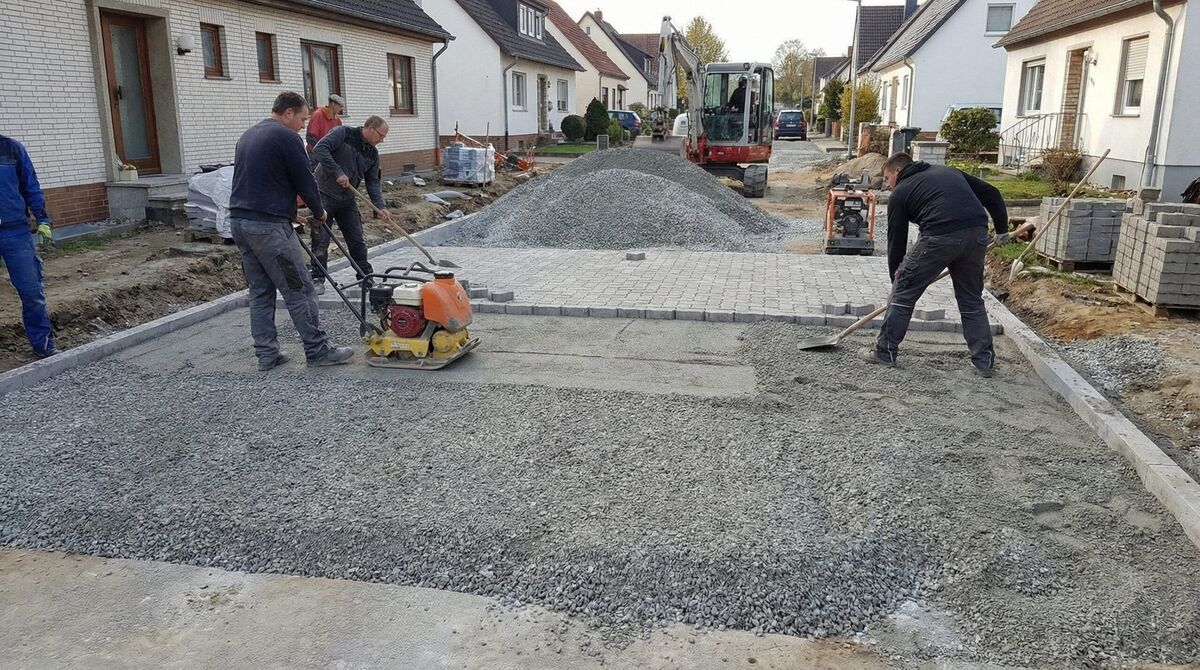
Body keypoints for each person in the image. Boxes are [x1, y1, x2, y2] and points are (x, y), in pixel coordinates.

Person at [229, 91, 353, 371]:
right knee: (300, 288)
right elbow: (305, 181)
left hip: (241, 222)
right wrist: (319, 211)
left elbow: (261, 180)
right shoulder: (286, 138)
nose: (303, 125)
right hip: (269, 229)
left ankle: (267, 355)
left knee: (260, 292)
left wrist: (286, 210)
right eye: (301, 118)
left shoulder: (249, 135)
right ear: (287, 113)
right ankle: (318, 350)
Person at [866, 152, 1018, 378]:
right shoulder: (948, 171)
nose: (888, 186)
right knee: (971, 300)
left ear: (898, 171)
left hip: (939, 237)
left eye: (887, 178)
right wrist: (1002, 229)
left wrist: (897, 278)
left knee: (903, 295)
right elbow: (992, 193)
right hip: (977, 235)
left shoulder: (900, 193)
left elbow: (896, 239)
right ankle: (984, 362)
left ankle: (884, 352)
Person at [309, 115, 392, 293]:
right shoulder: (343, 133)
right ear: (369, 128)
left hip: (347, 199)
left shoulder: (372, 153)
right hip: (324, 194)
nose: (382, 140)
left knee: (356, 239)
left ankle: (364, 276)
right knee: (321, 239)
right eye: (381, 135)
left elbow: (373, 182)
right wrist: (337, 171)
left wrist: (380, 206)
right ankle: (317, 278)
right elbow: (320, 149)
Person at [0, 134, 57, 358]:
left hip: (15, 232)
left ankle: (43, 345)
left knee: (32, 292)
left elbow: (30, 185)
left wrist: (43, 219)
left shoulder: (11, 149)